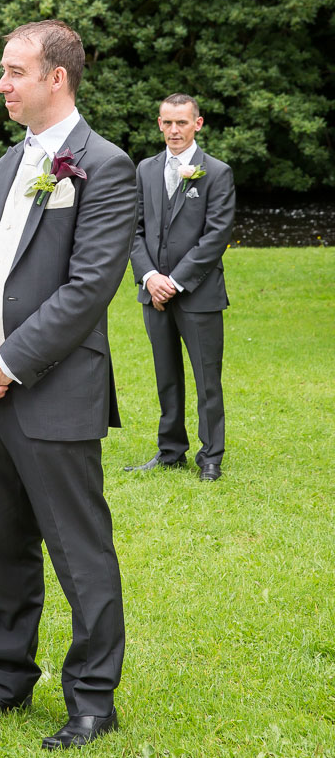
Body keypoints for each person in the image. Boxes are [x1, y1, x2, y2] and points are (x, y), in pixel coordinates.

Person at [0, 20, 137, 750]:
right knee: (0, 547)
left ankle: (91, 698)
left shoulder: (106, 165)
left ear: (56, 77)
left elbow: (89, 289)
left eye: (14, 71)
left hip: (51, 390)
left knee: (79, 551)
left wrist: (10, 362)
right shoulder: (6, 165)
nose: (2, 84)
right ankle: (7, 679)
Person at [127, 93, 235, 481]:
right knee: (166, 374)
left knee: (207, 379)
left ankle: (211, 456)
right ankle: (171, 450)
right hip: (152, 293)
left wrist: (173, 281)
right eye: (167, 122)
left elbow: (215, 237)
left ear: (198, 124)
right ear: (159, 124)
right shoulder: (145, 169)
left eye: (182, 123)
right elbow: (133, 230)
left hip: (199, 295)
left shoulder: (217, 172)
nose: (174, 130)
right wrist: (149, 277)